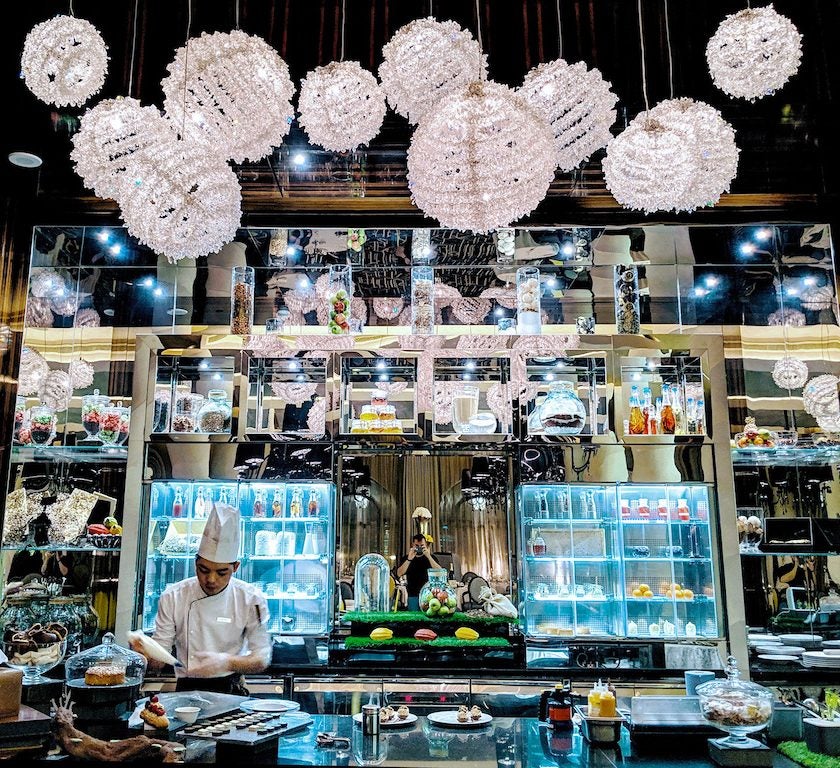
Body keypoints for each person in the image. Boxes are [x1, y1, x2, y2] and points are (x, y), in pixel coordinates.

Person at [131, 502, 271, 695]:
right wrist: (145, 654)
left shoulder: (250, 598)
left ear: (235, 567)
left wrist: (226, 662)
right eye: (203, 570)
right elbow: (159, 661)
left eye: (221, 573)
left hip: (232, 690)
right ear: (195, 563)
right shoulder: (173, 596)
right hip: (186, 689)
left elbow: (262, 658)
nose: (211, 579)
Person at [396, 534, 441, 611]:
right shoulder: (407, 558)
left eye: (422, 546)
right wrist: (409, 559)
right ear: (412, 545)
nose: (419, 548)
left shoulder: (431, 558)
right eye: (417, 546)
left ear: (426, 545)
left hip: (429, 595)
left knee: (428, 615)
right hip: (413, 595)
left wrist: (429, 556)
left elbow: (440, 572)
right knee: (414, 616)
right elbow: (399, 573)